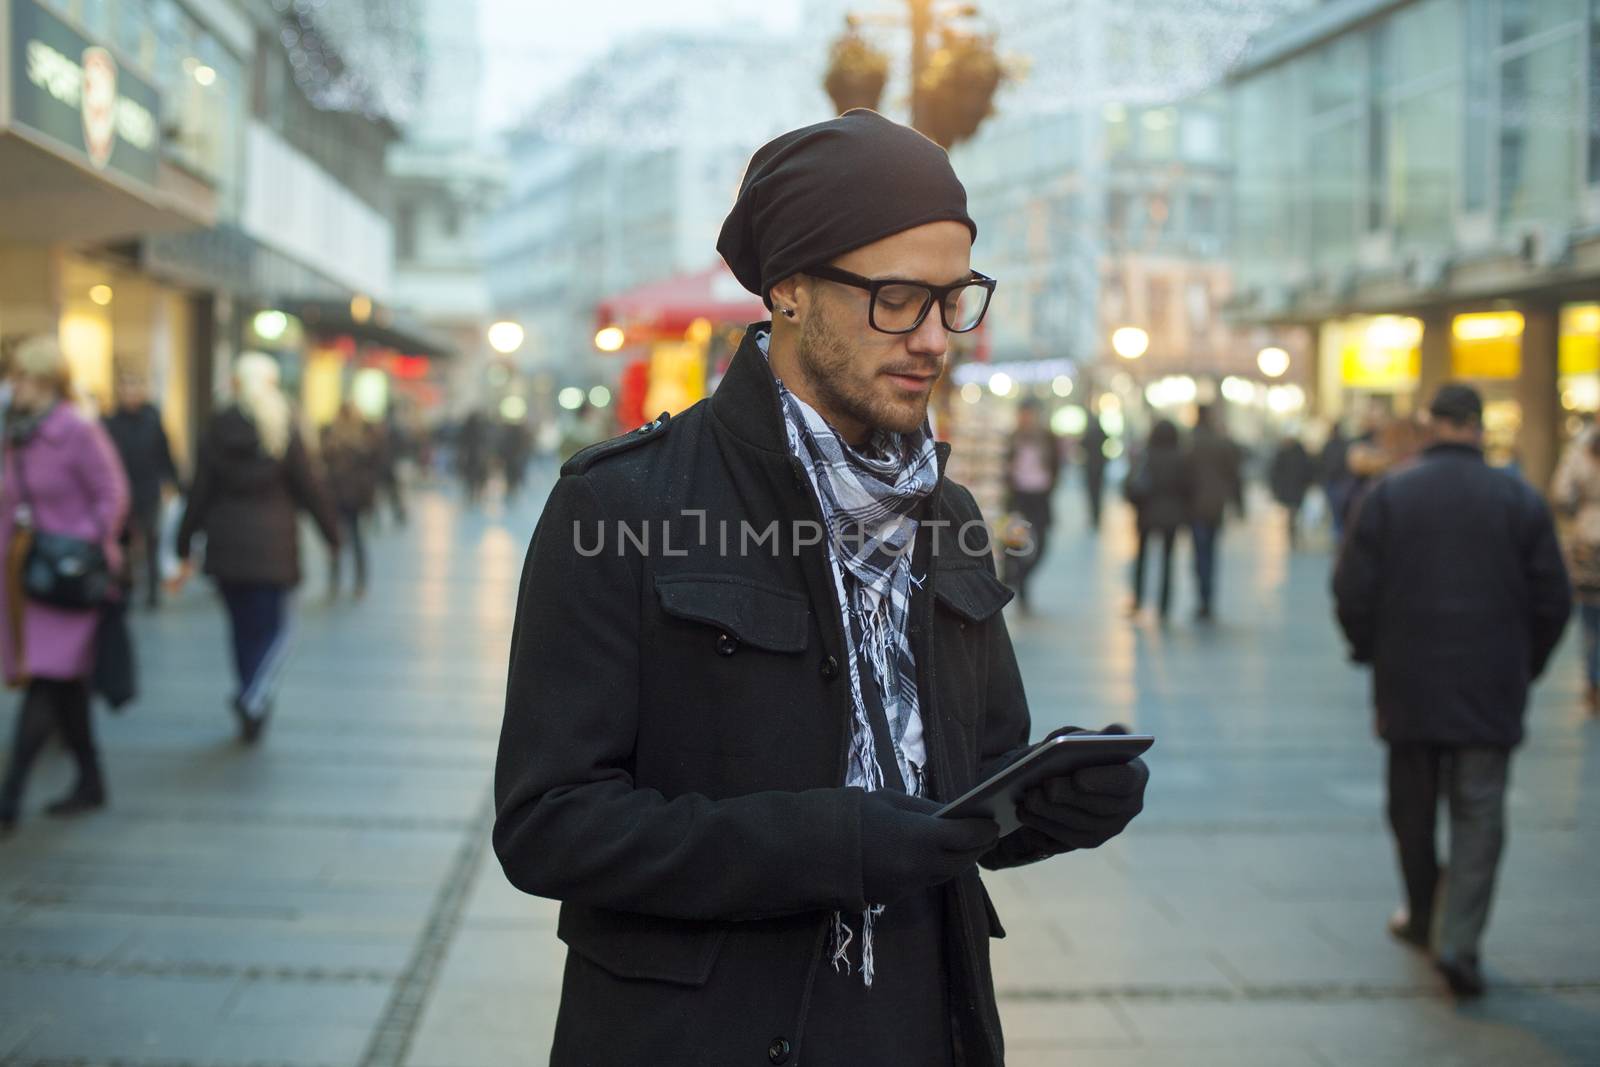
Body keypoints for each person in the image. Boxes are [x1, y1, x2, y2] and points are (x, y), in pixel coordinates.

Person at [493, 110, 1149, 1067]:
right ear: (791, 290)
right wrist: (818, 843)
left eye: (953, 299)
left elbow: (965, 789)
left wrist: (1052, 806)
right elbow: (547, 823)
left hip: (923, 1019)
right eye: (896, 298)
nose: (934, 338)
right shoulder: (624, 501)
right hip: (696, 1034)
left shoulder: (946, 510)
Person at [1333, 383, 1571, 998]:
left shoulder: (1390, 494)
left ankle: (1420, 916)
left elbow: (1351, 589)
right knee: (1479, 811)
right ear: (1480, 427)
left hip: (1409, 682)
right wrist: (1526, 664)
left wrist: (1370, 650)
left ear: (1430, 425)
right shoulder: (1519, 498)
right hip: (1492, 684)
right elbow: (1554, 599)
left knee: (1411, 809)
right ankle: (1460, 942)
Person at [173, 354, 339, 744]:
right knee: (275, 630)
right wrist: (332, 535)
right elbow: (309, 487)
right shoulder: (282, 427)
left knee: (241, 629)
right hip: (273, 547)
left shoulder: (216, 427)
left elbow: (200, 490)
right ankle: (254, 696)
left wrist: (183, 541)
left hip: (227, 546)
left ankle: (249, 692)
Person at [0, 337, 130, 832]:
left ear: (46, 382)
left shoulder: (76, 430)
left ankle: (9, 795)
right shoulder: (18, 435)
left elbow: (110, 492)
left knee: (49, 676)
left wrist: (88, 546)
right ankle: (91, 781)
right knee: (66, 686)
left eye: (22, 379)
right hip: (31, 574)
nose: (14, 387)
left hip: (71, 577)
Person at [102, 373, 179, 608]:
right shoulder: (110, 423)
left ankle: (153, 591)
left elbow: (164, 453)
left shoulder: (152, 420)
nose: (130, 394)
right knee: (123, 542)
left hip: (148, 488)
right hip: (121, 489)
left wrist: (173, 482)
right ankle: (125, 587)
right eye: (126, 388)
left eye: (134, 387)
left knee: (151, 538)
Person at [1551, 425, 1600, 716]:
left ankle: (1594, 680)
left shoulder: (1579, 454)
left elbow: (1561, 494)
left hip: (1587, 541)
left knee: (1591, 619)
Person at [1124, 419, 1191, 622]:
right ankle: (1164, 606)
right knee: (1167, 561)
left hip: (1147, 514)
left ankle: (1138, 599)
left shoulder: (1147, 456)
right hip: (1171, 516)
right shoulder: (1180, 458)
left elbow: (1131, 484)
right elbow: (1188, 488)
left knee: (1142, 558)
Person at [1001, 398, 1061, 610]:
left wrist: (1050, 486)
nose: (1026, 418)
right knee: (1015, 545)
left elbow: (1056, 464)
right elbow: (1004, 465)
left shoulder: (1047, 437)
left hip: (1040, 497)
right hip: (1018, 497)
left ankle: (1021, 579)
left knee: (1042, 545)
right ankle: (1022, 589)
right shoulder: (1011, 438)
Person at [1186, 404, 1243, 621]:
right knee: (1210, 552)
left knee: (1200, 553)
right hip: (1215, 506)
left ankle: (1203, 597)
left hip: (1196, 507)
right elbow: (1234, 475)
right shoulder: (1221, 444)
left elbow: (1184, 477)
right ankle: (1208, 598)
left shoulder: (1192, 443)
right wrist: (1238, 504)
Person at [320, 403, 378, 599]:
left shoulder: (363, 438)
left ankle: (357, 582)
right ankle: (336, 582)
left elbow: (371, 470)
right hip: (337, 496)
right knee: (337, 540)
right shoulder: (331, 436)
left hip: (352, 498)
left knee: (354, 540)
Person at [1268, 434, 1317, 548]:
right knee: (1294, 513)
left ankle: (1294, 534)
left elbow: (1275, 472)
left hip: (1293, 489)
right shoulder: (1298, 454)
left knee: (1293, 513)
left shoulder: (1287, 453)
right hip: (1295, 489)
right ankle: (1294, 534)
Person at [1082, 411, 1109, 531]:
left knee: (1092, 492)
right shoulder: (1100, 432)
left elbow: (1082, 444)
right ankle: (1096, 515)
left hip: (1091, 466)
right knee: (1098, 492)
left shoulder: (1089, 433)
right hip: (1099, 465)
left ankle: (1094, 515)